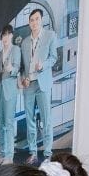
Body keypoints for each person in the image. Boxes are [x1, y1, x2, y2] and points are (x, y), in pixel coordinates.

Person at [20, 9, 58, 165]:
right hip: (29, 85)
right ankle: (33, 152)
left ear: (41, 20)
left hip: (43, 83)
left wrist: (43, 65)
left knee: (46, 118)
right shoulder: (24, 42)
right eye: (32, 20)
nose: (34, 22)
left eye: (37, 19)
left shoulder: (50, 36)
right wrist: (23, 78)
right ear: (29, 23)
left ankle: (48, 153)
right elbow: (23, 66)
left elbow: (54, 58)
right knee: (29, 120)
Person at [0, 25, 23, 165]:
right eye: (3, 35)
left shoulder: (16, 49)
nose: (5, 37)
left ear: (11, 35)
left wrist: (12, 69)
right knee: (1, 124)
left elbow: (18, 67)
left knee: (9, 123)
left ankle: (10, 156)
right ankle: (2, 154)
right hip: (0, 90)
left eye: (7, 34)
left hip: (10, 89)